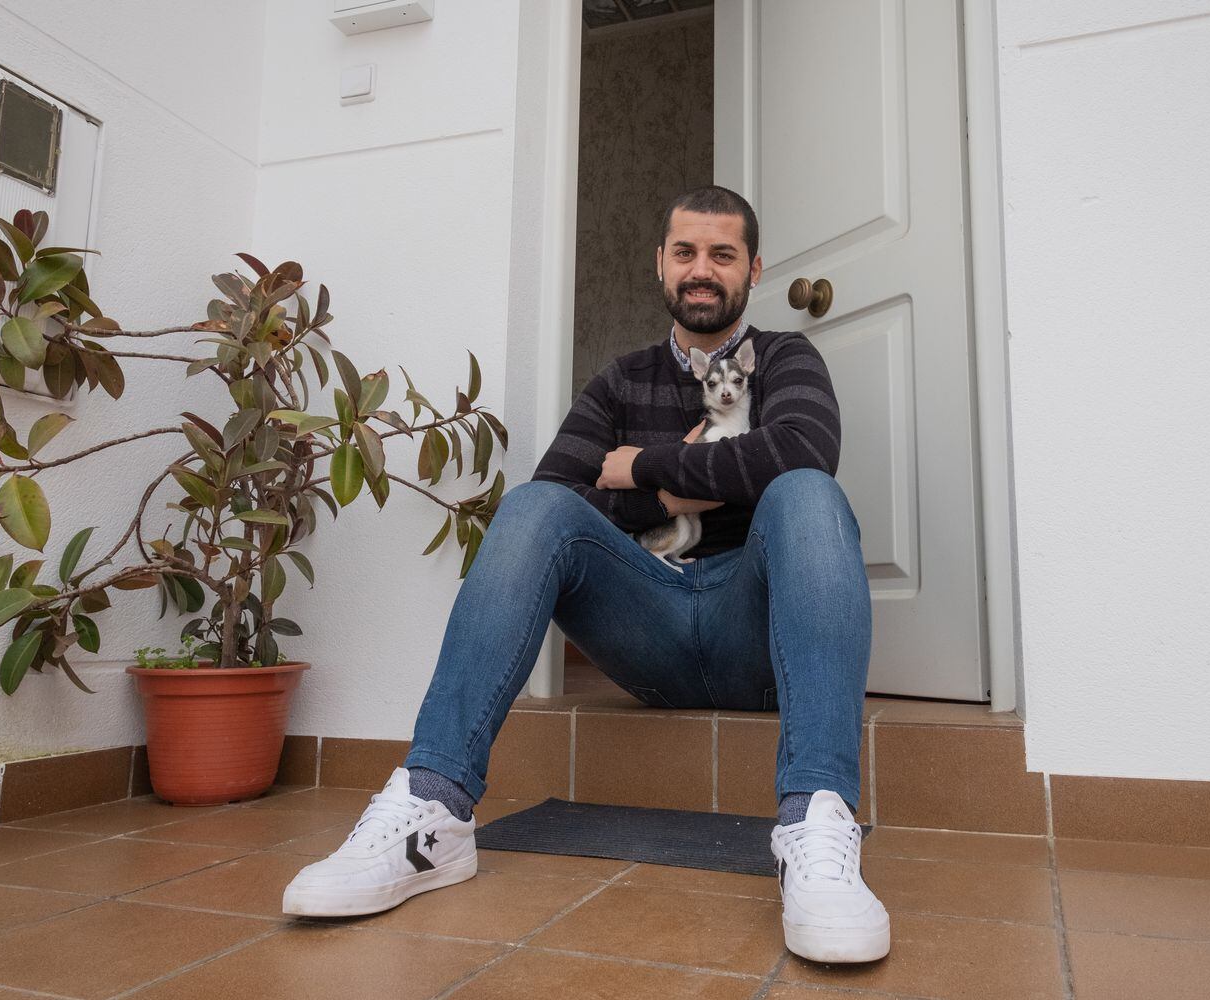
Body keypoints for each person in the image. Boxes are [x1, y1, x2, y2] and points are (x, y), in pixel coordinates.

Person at [282, 186, 890, 964]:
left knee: (806, 492)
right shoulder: (620, 378)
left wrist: (644, 464)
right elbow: (559, 494)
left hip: (753, 627)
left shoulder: (785, 358)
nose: (702, 270)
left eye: (722, 255)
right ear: (662, 265)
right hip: (649, 624)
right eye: (686, 252)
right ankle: (430, 810)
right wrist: (668, 495)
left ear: (754, 270)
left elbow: (801, 452)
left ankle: (817, 825)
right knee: (534, 508)